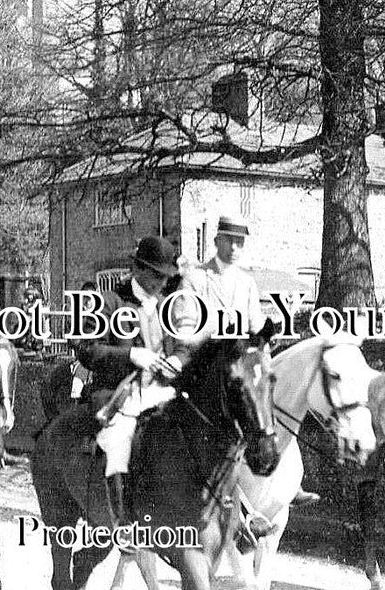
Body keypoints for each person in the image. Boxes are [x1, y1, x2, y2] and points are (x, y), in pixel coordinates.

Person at [168, 215, 321, 508]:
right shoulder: (195, 278)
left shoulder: (246, 282)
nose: (236, 247)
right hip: (206, 365)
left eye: (240, 242)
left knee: (266, 406)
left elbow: (254, 325)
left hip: (239, 363)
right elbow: (185, 325)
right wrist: (218, 331)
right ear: (216, 242)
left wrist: (269, 329)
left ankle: (287, 481)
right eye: (230, 240)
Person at [76, 236, 182, 535]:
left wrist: (177, 361)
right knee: (120, 436)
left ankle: (239, 512)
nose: (161, 283)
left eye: (166, 277)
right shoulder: (110, 302)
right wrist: (132, 355)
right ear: (137, 269)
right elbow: (87, 350)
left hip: (162, 387)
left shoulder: (167, 306)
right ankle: (123, 521)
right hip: (119, 391)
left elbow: (182, 346)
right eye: (156, 275)